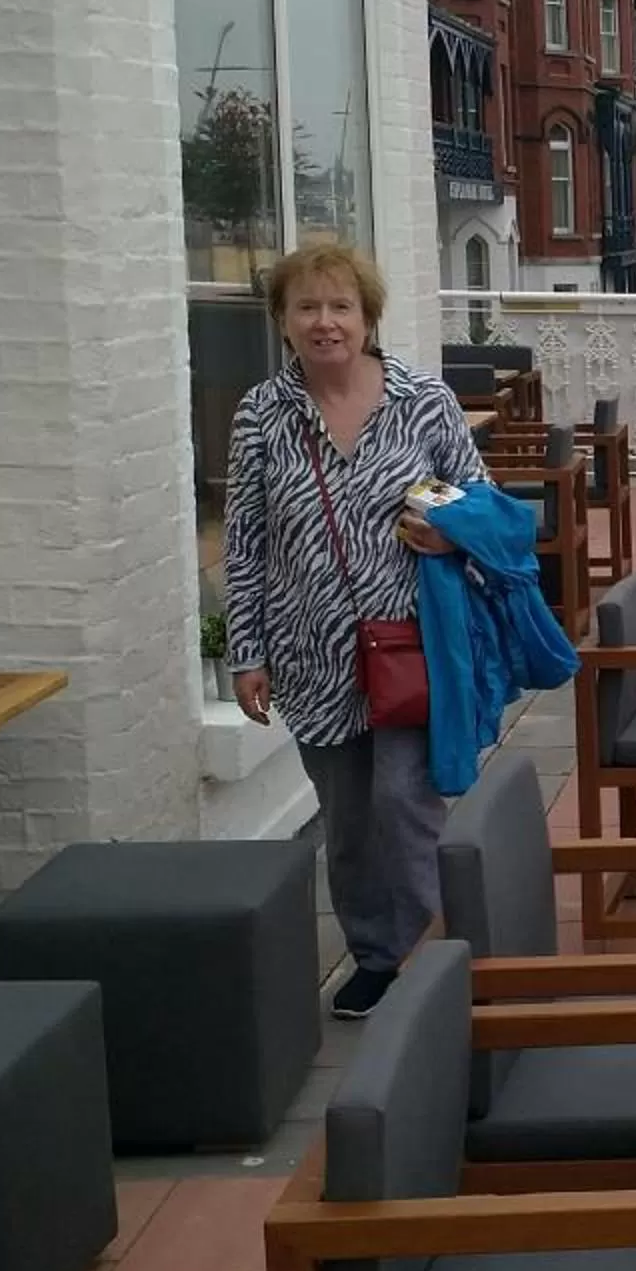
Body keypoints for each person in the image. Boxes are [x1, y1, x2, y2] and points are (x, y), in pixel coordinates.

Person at [223, 242, 489, 1018]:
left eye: (340, 306)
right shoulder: (262, 414)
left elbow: (480, 497)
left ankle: (438, 956)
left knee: (405, 804)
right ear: (282, 320)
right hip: (311, 655)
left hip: (410, 644)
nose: (325, 322)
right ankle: (375, 954)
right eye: (306, 307)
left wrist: (448, 534)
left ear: (367, 317)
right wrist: (247, 651)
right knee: (346, 823)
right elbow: (244, 540)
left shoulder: (422, 400)